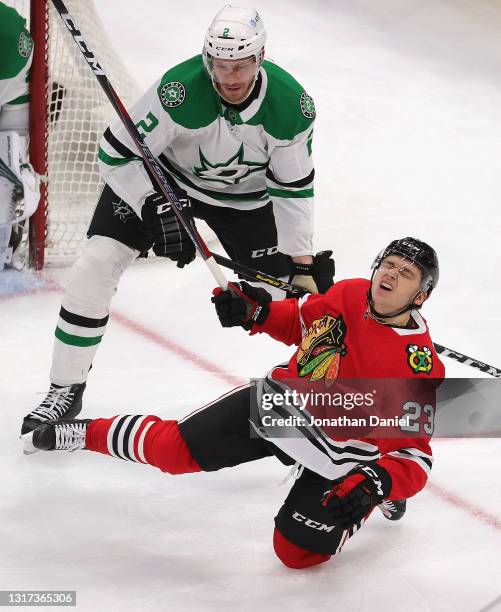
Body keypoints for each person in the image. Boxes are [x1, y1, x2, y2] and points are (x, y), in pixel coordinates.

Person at [27, 237, 445, 569]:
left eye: (406, 273)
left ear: (420, 297)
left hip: (342, 455)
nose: (391, 274)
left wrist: (378, 482)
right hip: (282, 407)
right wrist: (255, 312)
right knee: (172, 452)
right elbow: (301, 323)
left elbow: (415, 457)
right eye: (388, 264)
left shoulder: (418, 365)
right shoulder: (350, 293)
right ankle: (85, 432)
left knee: (296, 555)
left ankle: (369, 501)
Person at [22, 4, 334, 434]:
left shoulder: (289, 106)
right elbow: (116, 153)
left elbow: (293, 189)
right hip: (166, 183)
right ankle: (64, 389)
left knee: (286, 303)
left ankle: (328, 404)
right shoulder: (179, 90)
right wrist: (153, 202)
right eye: (220, 66)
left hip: (248, 203)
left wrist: (301, 263)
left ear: (260, 58)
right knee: (95, 264)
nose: (230, 79)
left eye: (240, 66)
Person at [0, 2, 40, 271]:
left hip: (9, 49)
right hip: (13, 39)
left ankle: (6, 238)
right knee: (10, 146)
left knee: (8, 157)